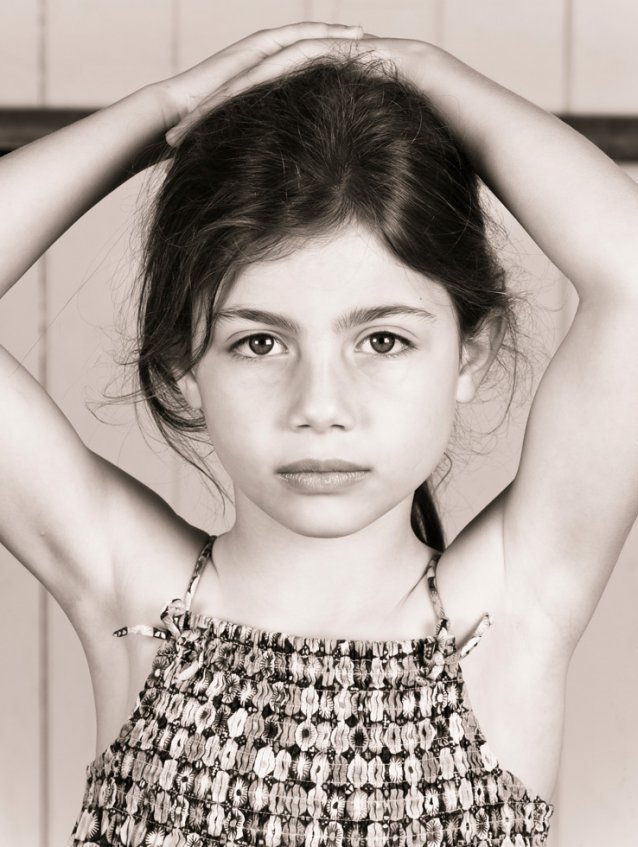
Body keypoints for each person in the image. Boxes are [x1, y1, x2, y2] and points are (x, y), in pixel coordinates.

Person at [1, 20, 637, 847]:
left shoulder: (514, 612)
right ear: (185, 365)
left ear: (466, 355)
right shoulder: (132, 591)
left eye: (383, 340)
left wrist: (420, 71)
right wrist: (168, 113)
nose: (320, 403)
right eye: (259, 341)